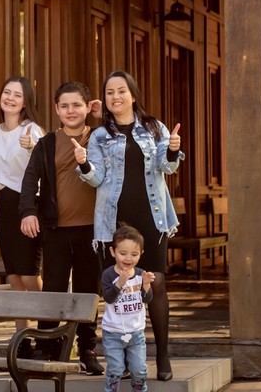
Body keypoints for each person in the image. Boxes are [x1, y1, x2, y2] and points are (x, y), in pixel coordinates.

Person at [75, 70, 182, 381]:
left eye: (121, 90)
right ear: (105, 99)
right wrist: (83, 162)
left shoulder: (154, 128)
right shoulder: (99, 135)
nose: (116, 96)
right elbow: (95, 178)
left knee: (156, 283)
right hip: (114, 219)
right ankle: (121, 361)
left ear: (133, 95)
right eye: (110, 92)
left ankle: (162, 355)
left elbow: (167, 167)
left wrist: (172, 148)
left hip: (152, 216)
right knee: (120, 288)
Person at [19, 81, 104, 375]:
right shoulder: (47, 144)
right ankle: (47, 346)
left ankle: (87, 349)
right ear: (56, 109)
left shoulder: (101, 137)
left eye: (77, 105)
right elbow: (30, 179)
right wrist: (28, 212)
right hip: (56, 229)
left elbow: (125, 130)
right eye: (64, 106)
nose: (71, 111)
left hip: (93, 229)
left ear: (88, 107)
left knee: (87, 291)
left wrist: (103, 115)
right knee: (53, 289)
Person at [0, 76, 43, 354]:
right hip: (4, 205)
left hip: (28, 205)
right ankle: (23, 339)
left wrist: (32, 146)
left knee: (29, 275)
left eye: (17, 95)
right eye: (7, 92)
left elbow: (43, 168)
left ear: (26, 102)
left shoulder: (33, 130)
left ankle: (51, 327)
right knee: (15, 277)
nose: (10, 98)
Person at [100, 225, 155, 392]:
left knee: (139, 369)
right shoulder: (108, 274)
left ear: (141, 254)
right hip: (113, 331)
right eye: (123, 253)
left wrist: (146, 284)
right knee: (115, 369)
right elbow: (108, 298)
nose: (128, 258)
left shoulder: (140, 274)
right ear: (113, 252)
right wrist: (119, 283)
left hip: (136, 331)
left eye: (134, 254)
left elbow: (147, 299)